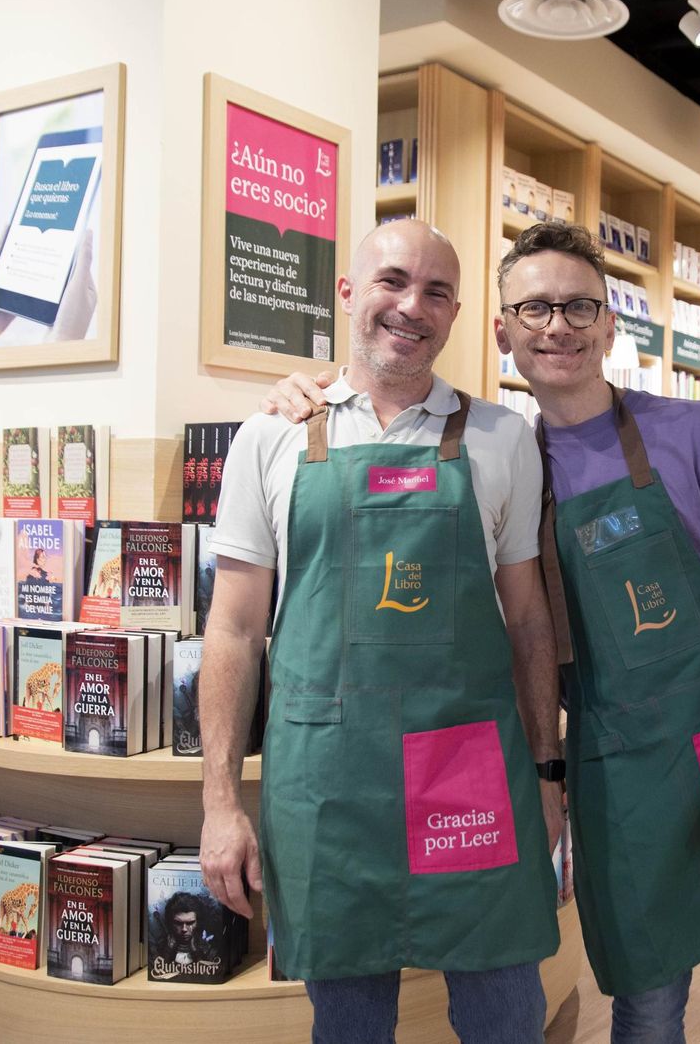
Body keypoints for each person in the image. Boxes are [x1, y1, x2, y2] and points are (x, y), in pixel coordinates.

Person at [264, 221, 700, 1043]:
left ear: (609, 325)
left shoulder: (695, 432)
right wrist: (309, 389)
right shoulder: (509, 455)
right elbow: (521, 628)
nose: (558, 326)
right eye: (534, 309)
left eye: (579, 307)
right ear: (502, 332)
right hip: (620, 777)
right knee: (647, 1012)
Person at [200, 219, 563, 1044]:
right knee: (349, 1024)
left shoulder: (502, 438)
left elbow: (528, 619)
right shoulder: (271, 435)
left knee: (508, 1014)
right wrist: (220, 802)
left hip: (469, 775)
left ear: (457, 313)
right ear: (347, 293)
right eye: (392, 281)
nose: (411, 306)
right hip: (329, 778)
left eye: (436, 291)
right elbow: (234, 628)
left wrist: (547, 773)